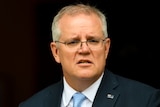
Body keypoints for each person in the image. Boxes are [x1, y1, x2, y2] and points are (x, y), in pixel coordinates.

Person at [19, 3, 160, 107]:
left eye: (93, 41)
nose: (84, 49)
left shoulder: (145, 100)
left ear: (106, 48)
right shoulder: (32, 105)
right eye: (73, 42)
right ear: (56, 52)